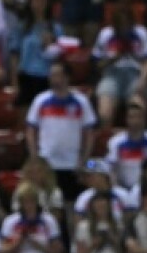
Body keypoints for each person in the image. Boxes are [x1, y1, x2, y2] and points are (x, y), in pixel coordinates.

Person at [26, 61, 97, 200]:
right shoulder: (41, 100)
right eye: (51, 75)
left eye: (57, 75)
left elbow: (89, 133)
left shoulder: (81, 101)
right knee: (49, 202)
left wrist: (84, 160)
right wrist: (35, 157)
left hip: (72, 163)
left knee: (71, 202)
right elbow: (30, 131)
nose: (53, 78)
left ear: (66, 77)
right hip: (47, 162)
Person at [92, 4, 147, 128]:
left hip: (135, 74)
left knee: (137, 112)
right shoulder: (105, 34)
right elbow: (98, 65)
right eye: (120, 23)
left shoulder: (141, 32)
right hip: (111, 74)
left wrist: (143, 81)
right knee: (105, 114)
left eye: (126, 23)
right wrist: (114, 58)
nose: (123, 26)